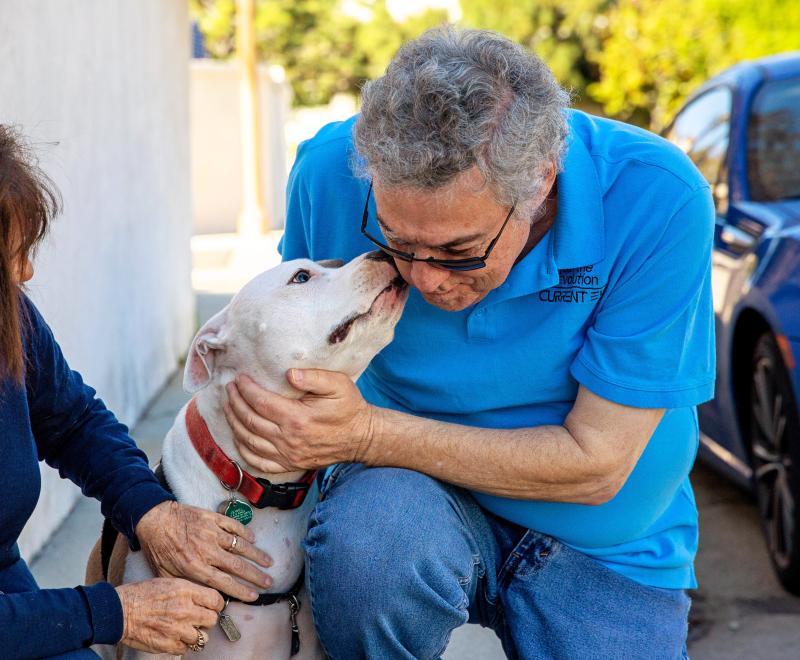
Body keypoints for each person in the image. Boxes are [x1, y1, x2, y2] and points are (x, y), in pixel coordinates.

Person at [226, 27, 715, 659]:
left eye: (459, 251)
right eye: (396, 241)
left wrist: (368, 434)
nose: (423, 280)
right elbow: (287, 371)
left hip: (606, 539)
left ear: (541, 183)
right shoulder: (326, 174)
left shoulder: (657, 196)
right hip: (403, 500)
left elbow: (597, 463)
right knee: (371, 546)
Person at [0, 125, 274, 658]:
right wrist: (114, 612)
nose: (26, 271)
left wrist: (151, 512)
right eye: (7, 258)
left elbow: (73, 421)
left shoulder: (9, 317)